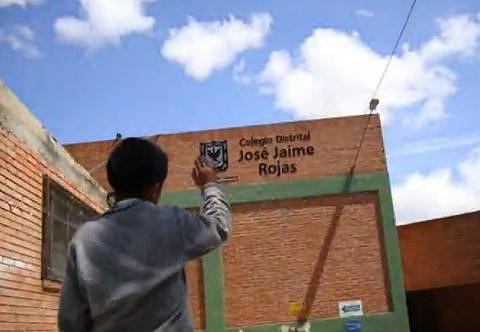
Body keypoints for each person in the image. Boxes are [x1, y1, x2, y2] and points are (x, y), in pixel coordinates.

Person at [58, 137, 232, 332]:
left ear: (113, 181)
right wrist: (209, 186)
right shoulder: (171, 222)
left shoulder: (84, 239)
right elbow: (218, 226)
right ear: (155, 186)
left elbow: (71, 321)